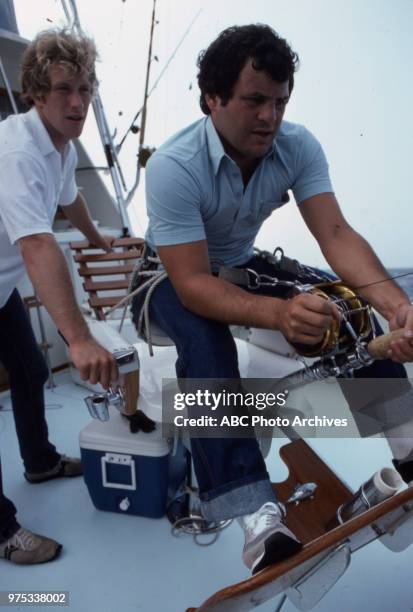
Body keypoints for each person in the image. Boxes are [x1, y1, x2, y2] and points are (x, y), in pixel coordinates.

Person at [132, 24, 413, 574]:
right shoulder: (174, 165)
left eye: (280, 102)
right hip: (167, 274)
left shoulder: (297, 146)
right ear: (212, 98)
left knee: (349, 307)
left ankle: (407, 444)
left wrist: (394, 304)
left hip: (239, 264)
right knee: (204, 339)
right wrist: (280, 314)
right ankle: (255, 515)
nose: (270, 117)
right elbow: (191, 284)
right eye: (254, 100)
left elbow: (336, 236)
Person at [0, 28, 119, 565]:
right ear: (36, 94)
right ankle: (2, 532)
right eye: (65, 90)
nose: (78, 103)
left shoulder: (61, 147)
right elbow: (37, 245)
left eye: (86, 89)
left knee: (29, 372)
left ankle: (40, 461)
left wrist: (98, 241)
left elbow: (69, 203)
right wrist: (77, 337)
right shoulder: (17, 152)